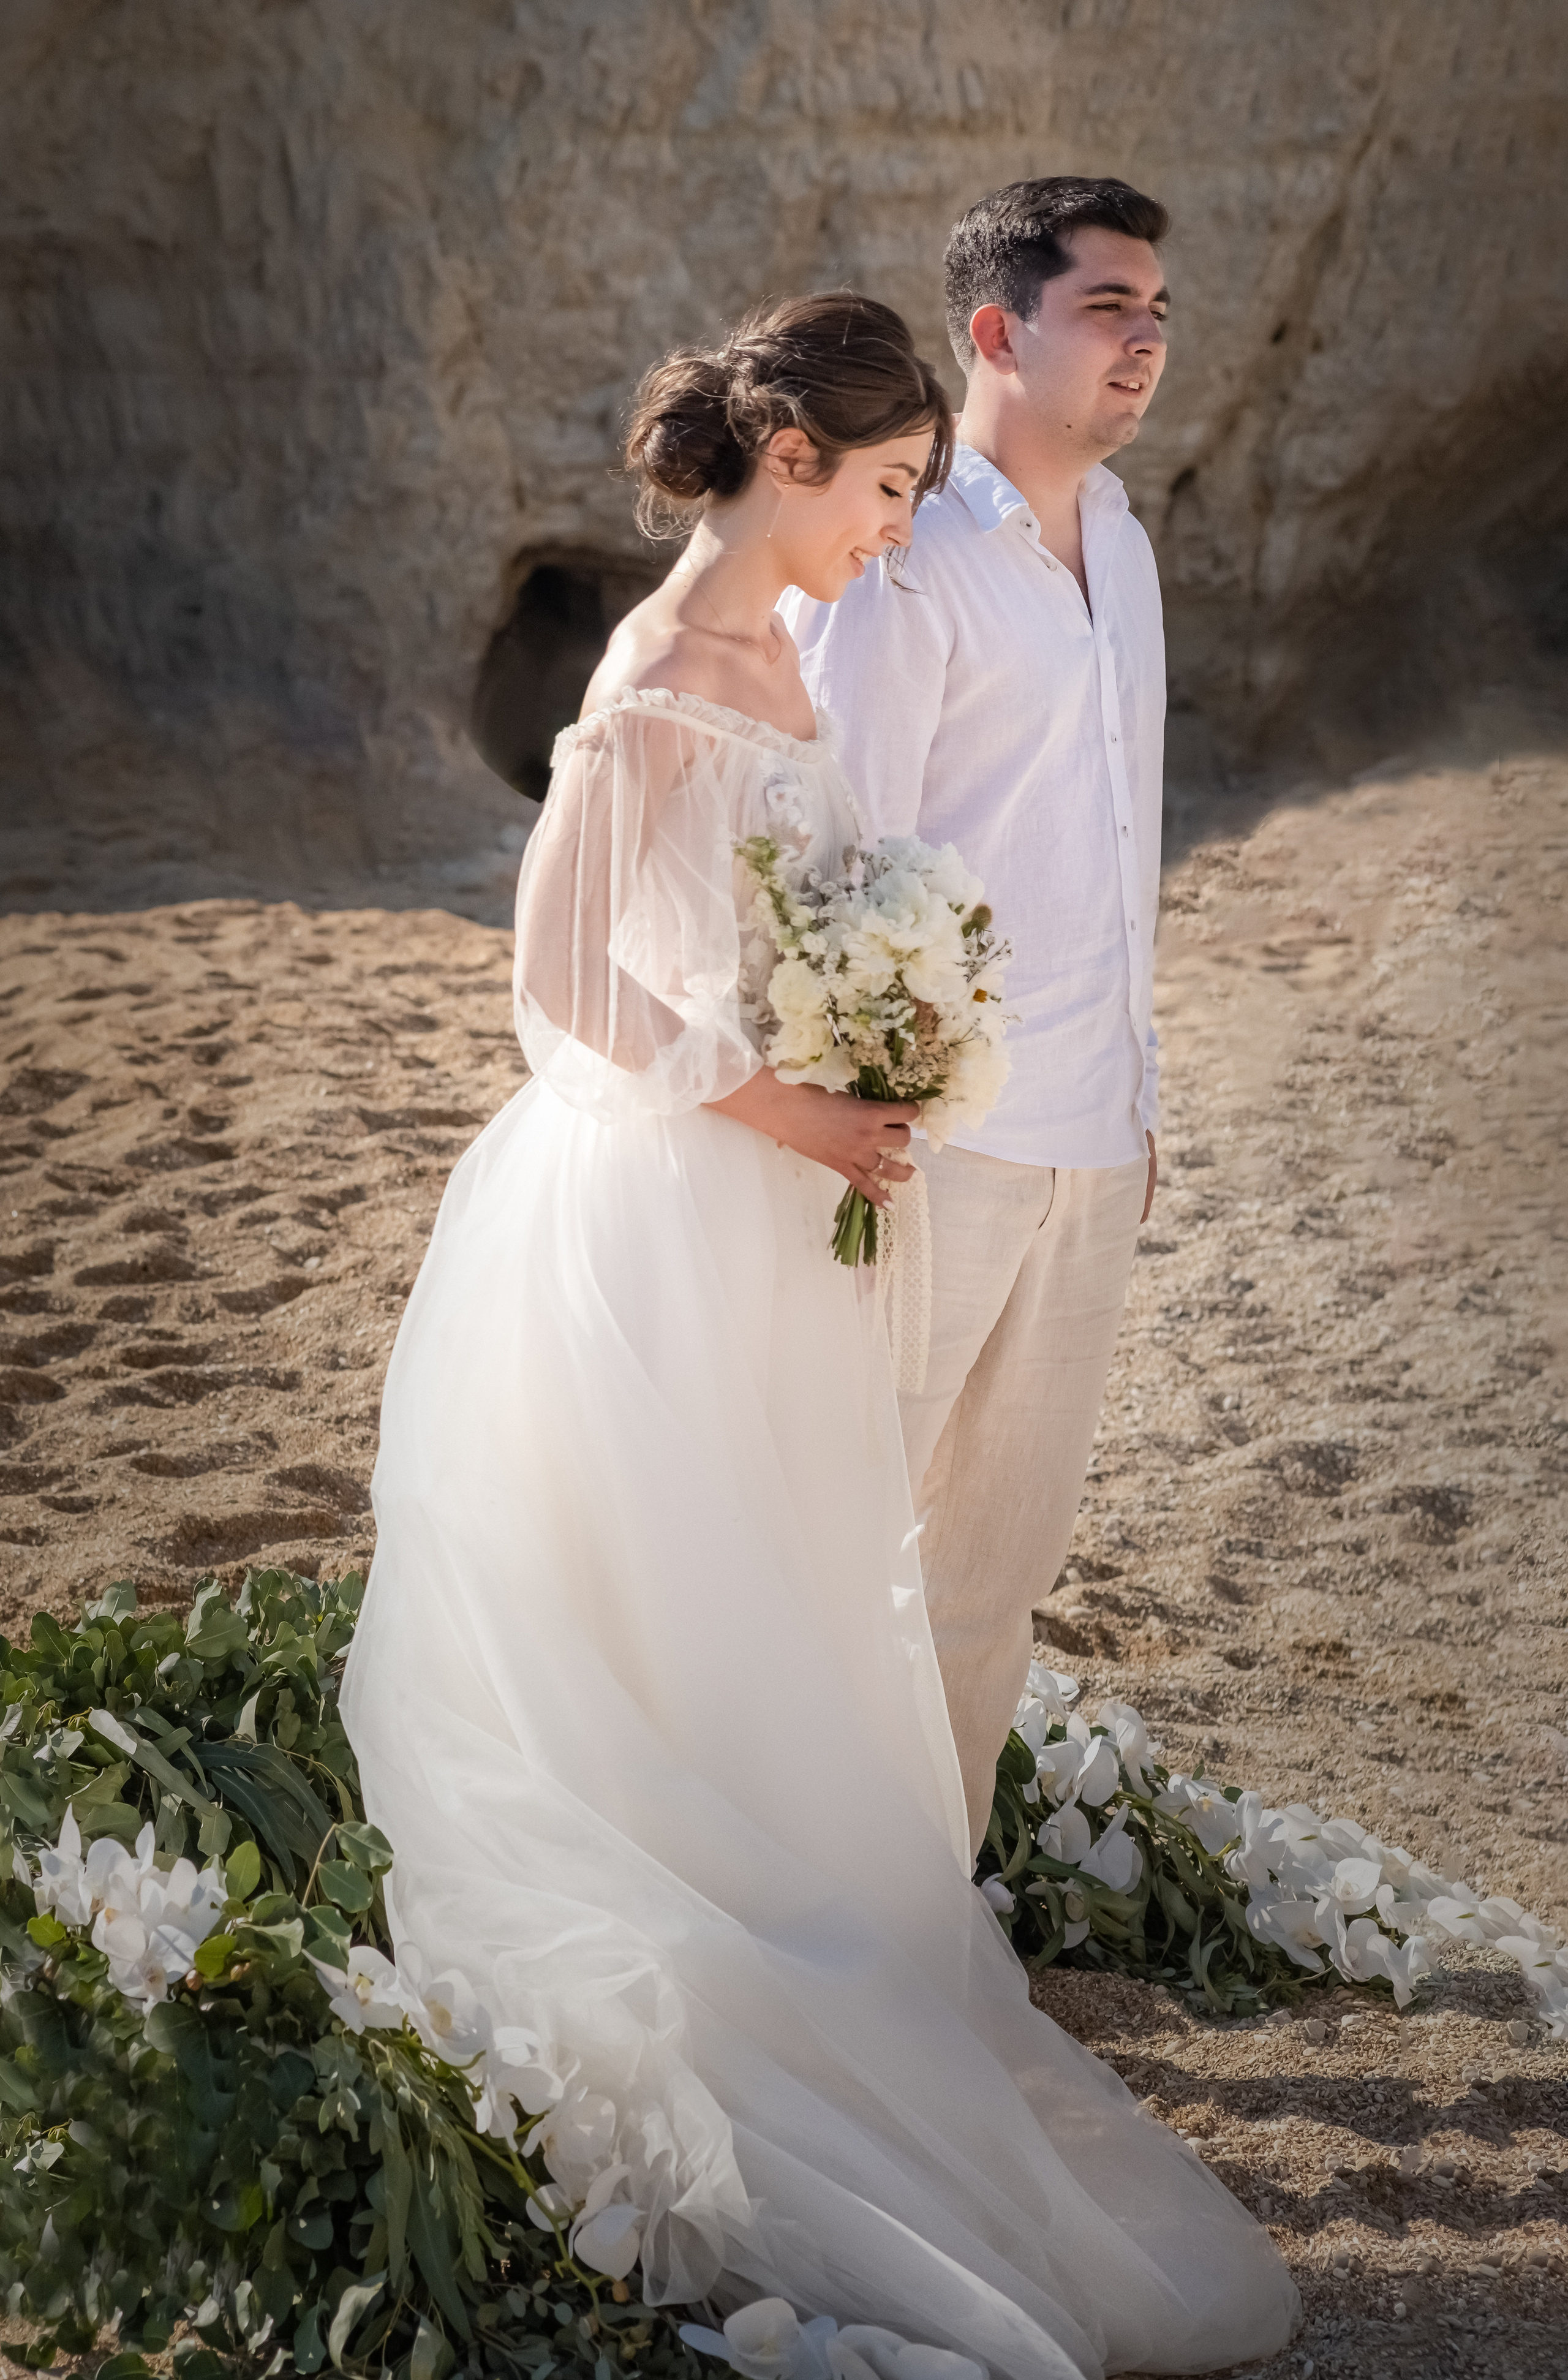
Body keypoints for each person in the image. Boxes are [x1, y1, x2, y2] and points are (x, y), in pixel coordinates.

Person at [342, 292, 1297, 2374]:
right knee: (679, 1617)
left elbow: (794, 913)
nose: (894, 529)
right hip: (660, 1207)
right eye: (883, 489)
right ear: (792, 462)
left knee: (790, 1601)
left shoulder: (790, 641)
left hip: (778, 1206)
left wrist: (897, 1017)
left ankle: (815, 1931)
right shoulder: (663, 670)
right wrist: (801, 1105)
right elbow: (564, 987)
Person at [783, 178, 1177, 1859]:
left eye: (1158, 313)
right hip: (933, 1144)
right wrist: (855, 1113)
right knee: (837, 1540)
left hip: (1093, 1134)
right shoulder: (906, 553)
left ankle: (925, 1907)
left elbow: (1119, 841)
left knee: (994, 1577)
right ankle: (803, 1896)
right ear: (999, 332)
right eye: (1109, 309)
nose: (1146, 343)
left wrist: (1141, 1097)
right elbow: (833, 848)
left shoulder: (1129, 546)